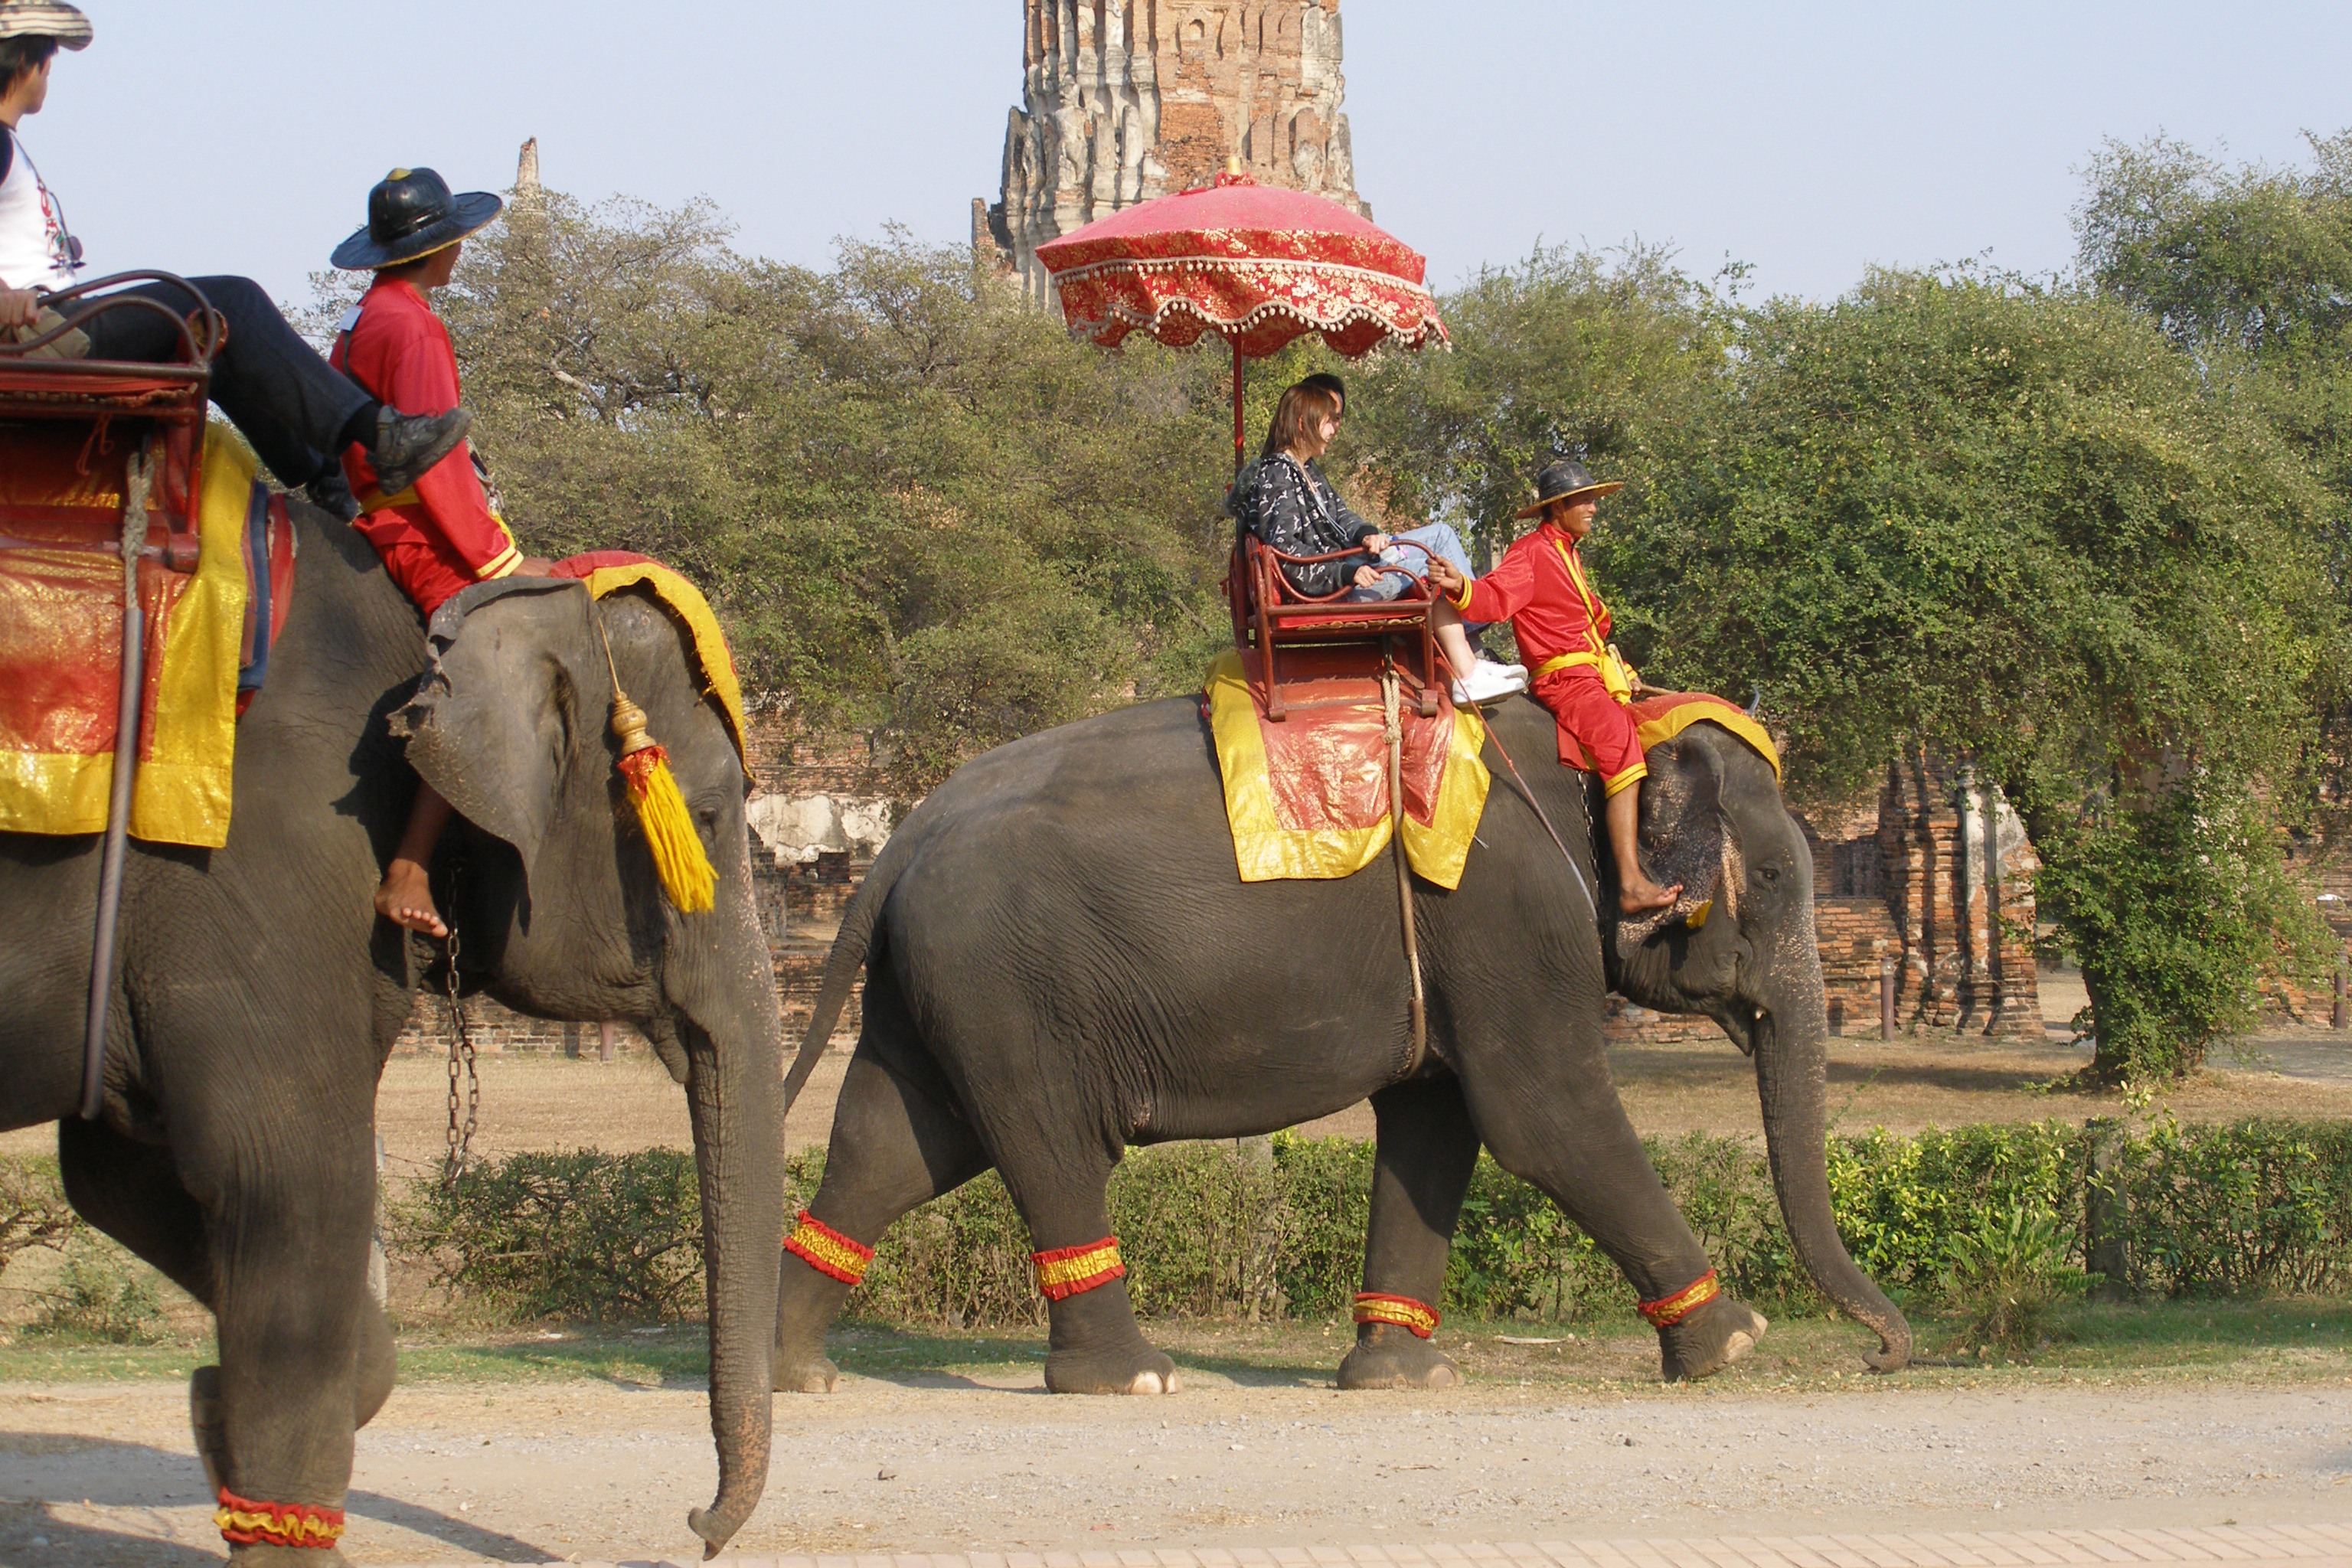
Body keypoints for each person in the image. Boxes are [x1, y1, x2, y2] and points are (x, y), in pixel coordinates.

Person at [0, 5, 468, 506]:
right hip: (40, 338)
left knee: (213, 343)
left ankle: (329, 483)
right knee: (233, 301)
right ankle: (381, 436)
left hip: (53, 326)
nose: (50, 73)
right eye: (48, 59)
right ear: (27, 62)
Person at [326, 166, 556, 937]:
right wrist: (496, 561)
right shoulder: (414, 326)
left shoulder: (363, 319)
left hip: (370, 519)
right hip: (417, 532)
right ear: (441, 247)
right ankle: (412, 863)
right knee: (491, 651)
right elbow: (432, 459)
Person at [1426, 460, 1683, 913]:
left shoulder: (1569, 553)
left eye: (1593, 499)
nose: (1593, 509)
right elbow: (1495, 596)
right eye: (1584, 500)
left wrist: (1618, 670)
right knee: (1620, 742)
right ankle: (1629, 883)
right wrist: (1460, 586)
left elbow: (1587, 629)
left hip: (1591, 675)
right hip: (1565, 682)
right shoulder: (1532, 551)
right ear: (1559, 506)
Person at [1231, 377, 1526, 706]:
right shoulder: (1278, 476)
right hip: (1326, 590)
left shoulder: (1307, 470)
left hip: (1345, 562)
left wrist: (1366, 534)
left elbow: (1343, 517)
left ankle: (1470, 642)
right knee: (1429, 572)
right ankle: (1467, 675)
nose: (1334, 430)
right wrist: (1345, 573)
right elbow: (1286, 555)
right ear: (1303, 423)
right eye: (1330, 421)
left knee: (1441, 533)